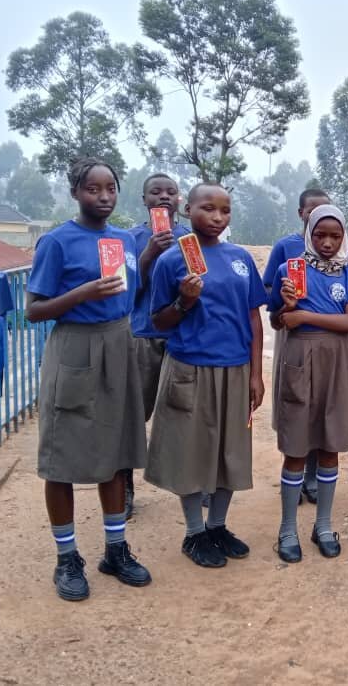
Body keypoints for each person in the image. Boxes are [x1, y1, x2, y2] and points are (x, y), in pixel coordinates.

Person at [26, 157, 151, 601]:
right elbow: (34, 309)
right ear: (75, 192)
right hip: (75, 348)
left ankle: (115, 550)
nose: (103, 197)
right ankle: (67, 558)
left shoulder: (123, 240)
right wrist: (83, 292)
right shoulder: (57, 242)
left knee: (116, 453)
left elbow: (129, 293)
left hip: (119, 344)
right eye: (93, 189)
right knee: (62, 456)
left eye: (111, 189)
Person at [145, 183, 266, 567]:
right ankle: (195, 532)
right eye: (208, 209)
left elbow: (253, 317)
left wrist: (256, 373)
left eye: (225, 210)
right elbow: (159, 321)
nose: (217, 217)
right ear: (187, 211)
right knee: (191, 451)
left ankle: (217, 525)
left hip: (234, 367)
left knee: (230, 451)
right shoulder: (172, 260)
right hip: (189, 367)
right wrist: (184, 301)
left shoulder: (240, 258)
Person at [269, 205, 348, 561]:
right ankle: (287, 529)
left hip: (338, 361)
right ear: (308, 233)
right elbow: (279, 323)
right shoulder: (289, 270)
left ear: (344, 237)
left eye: (335, 236)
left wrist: (304, 314)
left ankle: (323, 525)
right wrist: (286, 309)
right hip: (299, 358)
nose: (327, 243)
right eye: (320, 235)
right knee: (296, 447)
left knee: (330, 445)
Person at [124, 173, 191, 519]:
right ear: (144, 199)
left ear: (180, 200)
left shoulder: (190, 240)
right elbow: (124, 294)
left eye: (171, 192)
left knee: (189, 413)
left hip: (182, 339)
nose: (164, 197)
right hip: (143, 337)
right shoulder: (130, 239)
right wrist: (149, 254)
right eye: (156, 192)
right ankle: (124, 486)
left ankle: (195, 482)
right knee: (133, 414)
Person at [262, 187, 330, 504]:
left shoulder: (339, 253)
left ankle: (314, 476)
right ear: (301, 213)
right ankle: (295, 471)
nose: (318, 215)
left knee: (321, 407)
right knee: (295, 403)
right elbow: (267, 290)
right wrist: (286, 299)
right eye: (312, 210)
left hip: (326, 338)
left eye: (325, 209)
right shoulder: (285, 248)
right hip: (292, 332)